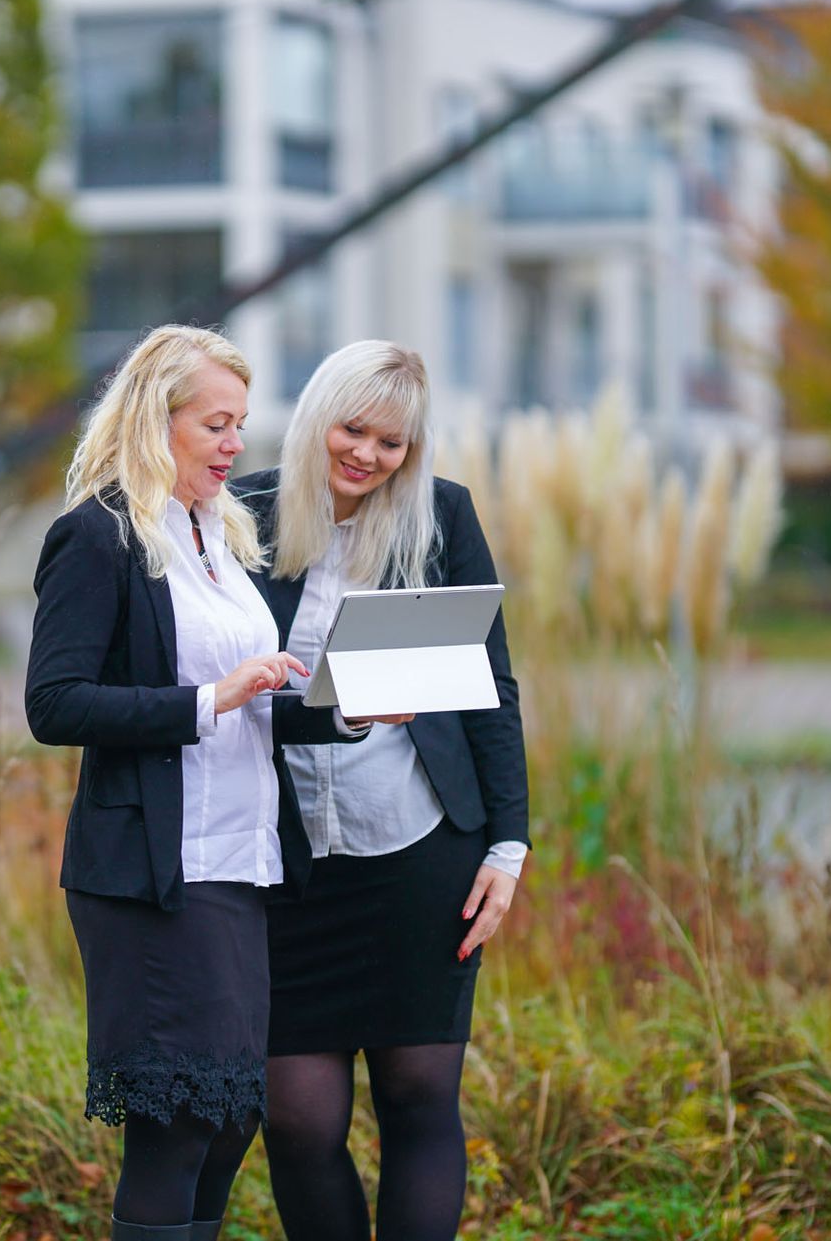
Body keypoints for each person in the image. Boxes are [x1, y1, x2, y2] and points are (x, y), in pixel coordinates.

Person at [24, 325, 374, 1241]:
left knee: (228, 1119)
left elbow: (247, 707)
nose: (235, 445)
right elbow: (54, 703)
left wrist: (343, 710)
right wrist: (204, 698)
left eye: (240, 425)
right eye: (216, 424)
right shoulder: (97, 537)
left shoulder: (220, 538)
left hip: (240, 863)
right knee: (178, 1125)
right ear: (155, 420)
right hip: (152, 874)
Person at [231, 340, 531, 1241]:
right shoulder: (238, 515)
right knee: (296, 1117)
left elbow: (494, 687)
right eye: (352, 429)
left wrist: (508, 847)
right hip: (283, 864)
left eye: (391, 442)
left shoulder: (441, 518)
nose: (367, 454)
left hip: (419, 849)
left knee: (417, 1096)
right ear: (318, 416)